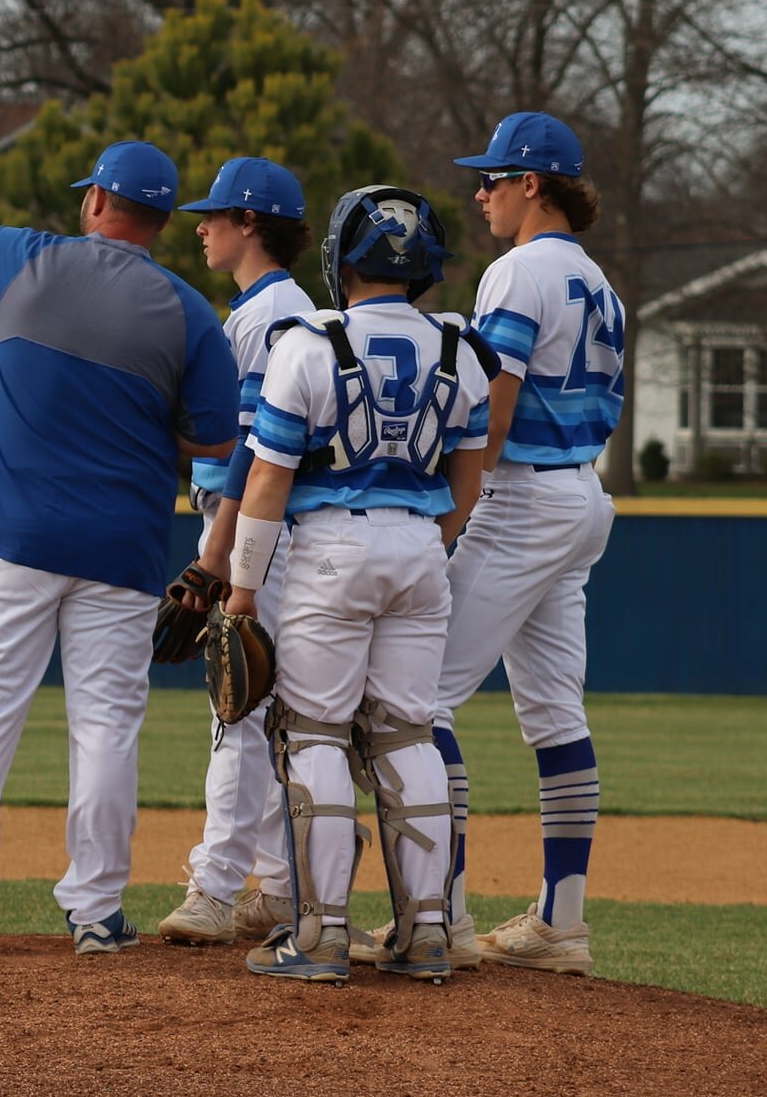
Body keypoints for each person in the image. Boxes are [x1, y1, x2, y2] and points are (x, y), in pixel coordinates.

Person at [0, 135, 239, 955]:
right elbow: (216, 437)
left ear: (96, 201)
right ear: (161, 220)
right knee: (107, 727)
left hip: (14, 535)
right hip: (121, 547)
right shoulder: (190, 311)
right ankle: (95, 910)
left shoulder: (28, 261)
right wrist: (133, 417)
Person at [224, 184, 490, 985]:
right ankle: (427, 932)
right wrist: (422, 544)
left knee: (313, 733)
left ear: (343, 262)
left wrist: (242, 587)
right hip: (422, 548)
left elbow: (267, 480)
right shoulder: (463, 349)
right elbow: (468, 483)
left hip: (332, 548)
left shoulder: (307, 342)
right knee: (408, 733)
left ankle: (320, 934)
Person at [422, 112, 624, 977]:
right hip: (582, 496)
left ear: (531, 184)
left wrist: (450, 515)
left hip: (523, 495)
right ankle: (559, 923)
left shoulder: (516, 271)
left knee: (418, 697)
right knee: (555, 712)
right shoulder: (601, 281)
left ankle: (441, 917)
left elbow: (492, 415)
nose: (481, 193)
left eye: (493, 178)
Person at [155, 158, 316, 947]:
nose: (201, 227)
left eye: (215, 215)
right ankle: (281, 887)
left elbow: (257, 453)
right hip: (264, 528)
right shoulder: (277, 308)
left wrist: (218, 558)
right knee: (269, 710)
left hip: (256, 530)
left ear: (250, 222)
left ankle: (216, 886)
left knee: (237, 704)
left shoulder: (271, 315)